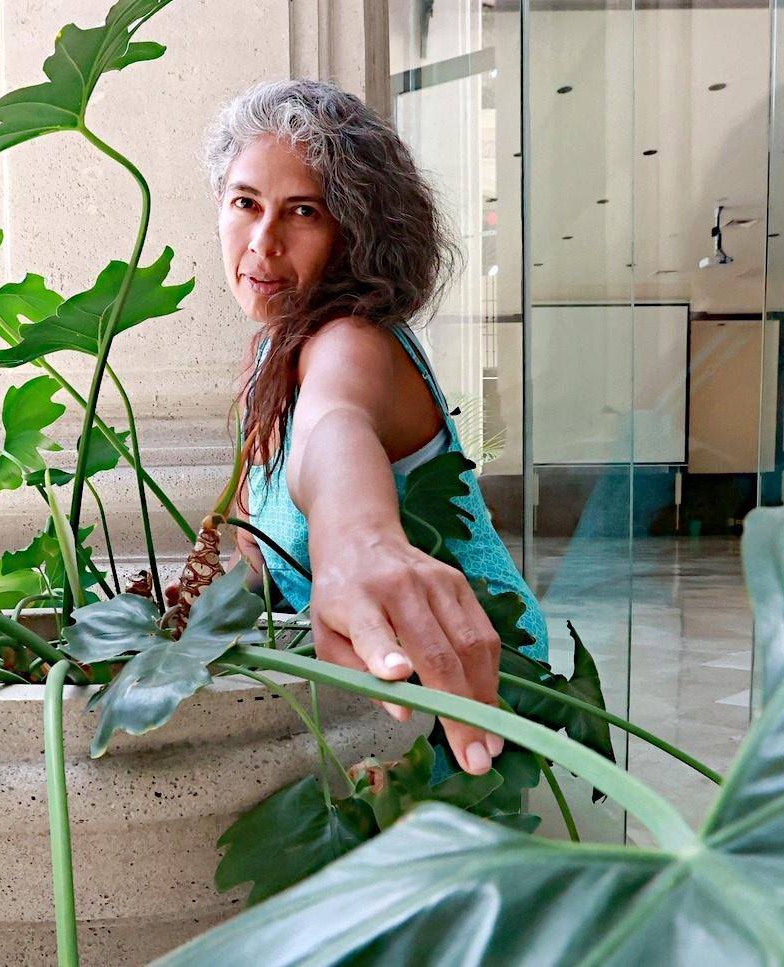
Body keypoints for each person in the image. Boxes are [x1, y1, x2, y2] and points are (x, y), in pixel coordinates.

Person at [200, 79, 549, 778]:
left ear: (355, 230)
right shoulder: (268, 354)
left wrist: (358, 540)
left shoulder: (349, 342)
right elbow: (257, 561)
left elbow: (334, 426)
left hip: (473, 681)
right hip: (381, 680)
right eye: (246, 203)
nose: (263, 243)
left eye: (303, 211)